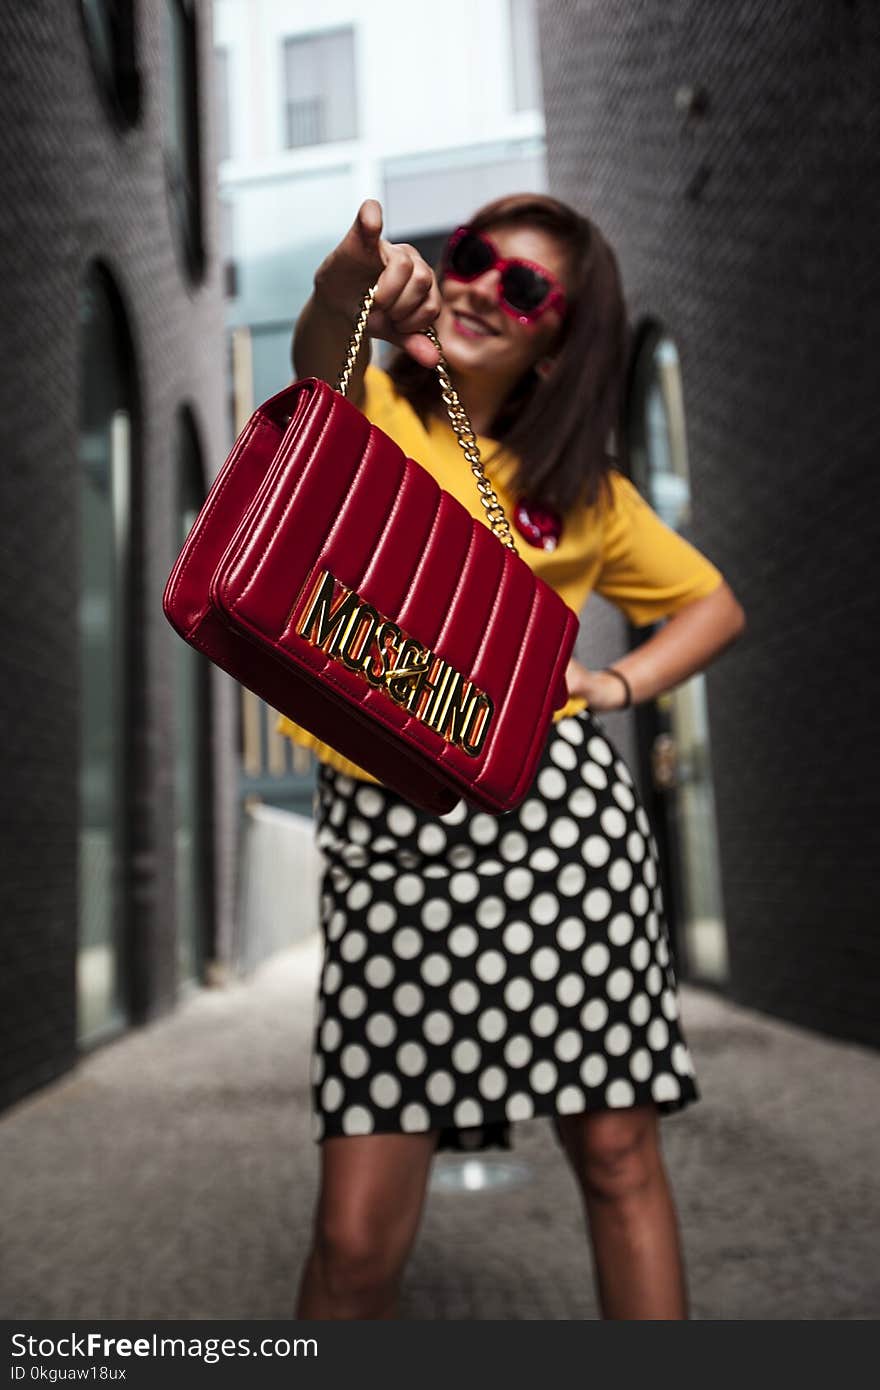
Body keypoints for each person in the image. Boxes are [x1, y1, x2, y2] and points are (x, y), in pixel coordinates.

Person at [276, 195, 746, 1320]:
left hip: (563, 825)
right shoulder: (376, 404)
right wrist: (347, 288)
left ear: (557, 336)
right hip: (393, 826)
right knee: (353, 1235)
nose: (488, 285)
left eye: (528, 285)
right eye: (477, 258)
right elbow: (315, 367)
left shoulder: (583, 488)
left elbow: (713, 604)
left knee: (619, 1152)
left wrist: (611, 682)